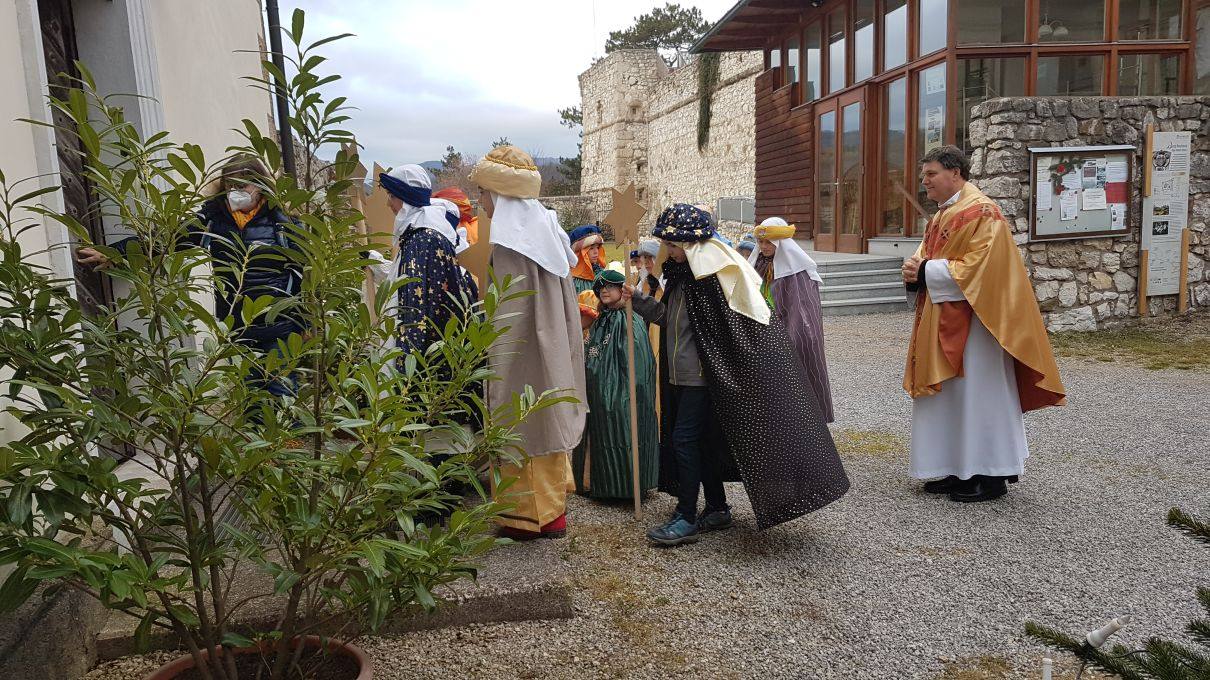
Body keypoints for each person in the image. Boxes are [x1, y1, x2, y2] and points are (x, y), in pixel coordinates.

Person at [629, 204, 849, 546]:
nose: (666, 252)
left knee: (684, 439)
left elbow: (729, 332)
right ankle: (717, 507)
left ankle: (686, 516)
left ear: (690, 244)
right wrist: (636, 300)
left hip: (700, 377)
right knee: (701, 440)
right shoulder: (683, 278)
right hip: (680, 374)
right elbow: (667, 318)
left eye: (671, 245)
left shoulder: (710, 281)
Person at [903, 146, 1066, 503]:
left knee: (980, 393)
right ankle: (955, 467)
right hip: (944, 316)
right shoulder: (944, 214)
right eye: (924, 175)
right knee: (954, 396)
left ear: (955, 173)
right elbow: (926, 255)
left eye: (931, 174)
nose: (924, 181)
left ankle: (991, 474)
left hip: (980, 323)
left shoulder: (983, 211)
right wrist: (915, 268)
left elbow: (984, 267)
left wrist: (926, 270)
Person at [77, 155, 302, 397]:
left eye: (241, 186)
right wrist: (116, 253)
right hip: (238, 325)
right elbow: (169, 239)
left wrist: (305, 323)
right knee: (251, 397)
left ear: (259, 185)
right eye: (229, 186)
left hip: (280, 325)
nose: (234, 192)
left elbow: (304, 272)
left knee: (282, 394)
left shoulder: (283, 222)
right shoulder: (215, 218)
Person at [469, 145, 586, 539]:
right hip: (550, 345)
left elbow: (509, 311)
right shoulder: (547, 230)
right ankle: (553, 514)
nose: (481, 203)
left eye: (483, 193)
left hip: (524, 349)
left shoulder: (512, 244)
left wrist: (491, 346)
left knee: (524, 423)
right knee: (545, 417)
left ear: (500, 195)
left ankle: (527, 519)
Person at [365, 165, 470, 360]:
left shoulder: (421, 239)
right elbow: (400, 279)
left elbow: (414, 301)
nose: (388, 204)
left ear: (406, 198)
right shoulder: (420, 234)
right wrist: (374, 262)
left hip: (420, 348)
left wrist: (406, 357)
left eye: (391, 196)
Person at [571, 268, 659, 500]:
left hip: (621, 390)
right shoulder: (601, 319)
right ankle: (594, 482)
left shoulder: (629, 320)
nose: (604, 291)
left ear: (622, 290)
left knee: (621, 429)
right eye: (601, 287)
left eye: (610, 286)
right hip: (596, 389)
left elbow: (637, 363)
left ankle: (625, 486)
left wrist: (622, 390)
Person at [750, 217, 834, 423]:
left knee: (796, 382)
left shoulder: (798, 273)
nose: (764, 246)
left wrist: (789, 338)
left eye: (769, 242)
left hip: (785, 334)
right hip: (761, 333)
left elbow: (803, 314)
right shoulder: (757, 264)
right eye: (761, 242)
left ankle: (803, 423)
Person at [568, 224, 606, 294]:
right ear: (579, 253)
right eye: (591, 248)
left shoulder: (602, 274)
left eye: (597, 247)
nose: (596, 252)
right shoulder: (571, 279)